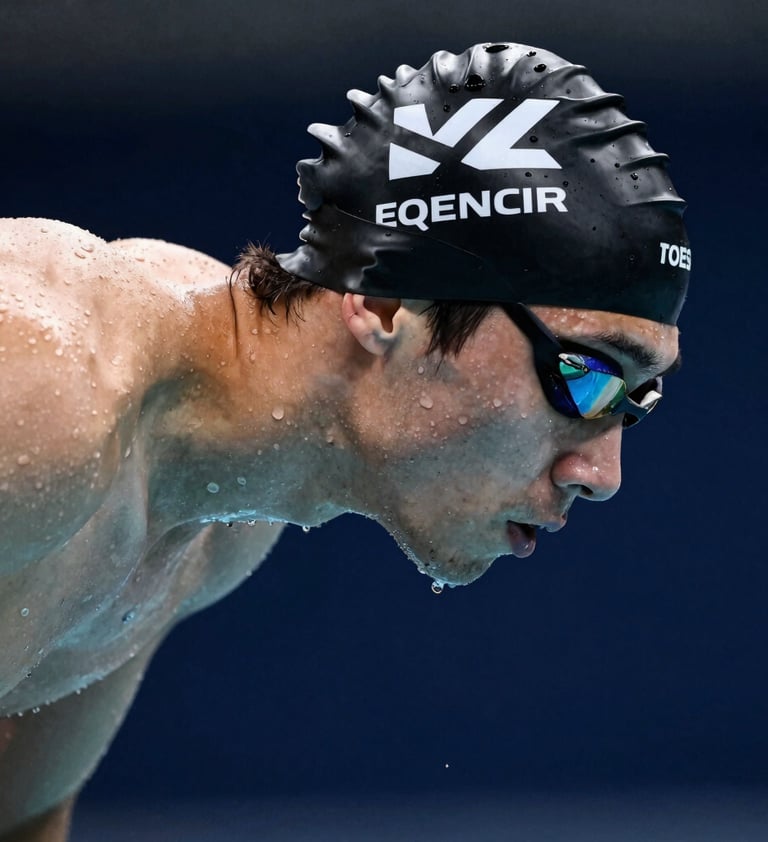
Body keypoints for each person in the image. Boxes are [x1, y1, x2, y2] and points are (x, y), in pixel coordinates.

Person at [0, 41, 690, 839]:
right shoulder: (47, 398)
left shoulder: (211, 511)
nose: (601, 473)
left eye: (634, 398)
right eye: (588, 374)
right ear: (391, 302)